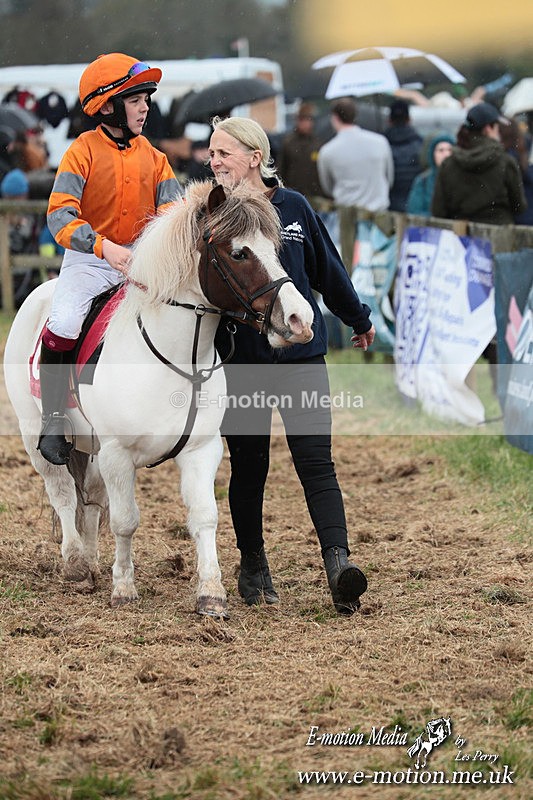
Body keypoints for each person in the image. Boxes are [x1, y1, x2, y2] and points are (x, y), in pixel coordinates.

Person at [209, 115, 375, 616]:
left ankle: (339, 564)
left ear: (254, 158)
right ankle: (253, 564)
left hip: (302, 359)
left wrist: (358, 317)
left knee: (316, 463)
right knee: (250, 466)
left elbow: (328, 269)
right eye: (210, 153)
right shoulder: (215, 217)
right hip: (243, 361)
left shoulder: (294, 208)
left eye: (223, 153)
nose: (213, 161)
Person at [39, 53, 181, 466]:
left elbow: (172, 217)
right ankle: (53, 418)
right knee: (64, 322)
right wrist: (103, 246)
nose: (146, 107)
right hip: (88, 260)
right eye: (137, 100)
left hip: (142, 263)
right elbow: (59, 214)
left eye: (147, 99)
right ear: (107, 106)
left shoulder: (155, 158)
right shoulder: (80, 152)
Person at [317, 97, 394, 272]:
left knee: (349, 271)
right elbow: (389, 178)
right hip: (380, 220)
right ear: (355, 116)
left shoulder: (327, 151)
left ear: (335, 118)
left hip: (346, 222)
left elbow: (327, 186)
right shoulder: (380, 142)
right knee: (379, 272)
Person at [431, 102, 527, 224]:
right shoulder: (505, 162)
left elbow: (438, 211)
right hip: (499, 235)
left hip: (461, 237)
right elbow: (519, 206)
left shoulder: (448, 164)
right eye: (497, 127)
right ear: (488, 129)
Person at [277, 102, 326, 212]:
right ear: (298, 120)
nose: (306, 123)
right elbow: (281, 170)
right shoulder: (288, 143)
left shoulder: (318, 144)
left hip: (315, 196)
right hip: (294, 194)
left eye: (309, 120)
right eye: (303, 120)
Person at [383, 99, 424, 212]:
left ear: (389, 120)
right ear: (409, 119)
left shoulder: (382, 145)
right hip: (414, 205)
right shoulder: (421, 144)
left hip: (389, 206)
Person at [406, 134, 454, 216]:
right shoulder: (423, 181)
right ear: (432, 154)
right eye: (441, 150)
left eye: (450, 150)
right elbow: (414, 212)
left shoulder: (463, 179)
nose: (446, 154)